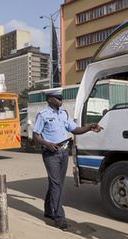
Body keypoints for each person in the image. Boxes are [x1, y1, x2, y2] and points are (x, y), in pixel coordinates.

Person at [32, 90, 103, 230]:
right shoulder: (43, 115)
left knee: (56, 183)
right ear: (49, 99)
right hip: (51, 153)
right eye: (58, 98)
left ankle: (48, 210)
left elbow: (75, 129)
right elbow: (35, 135)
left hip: (64, 152)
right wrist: (47, 144)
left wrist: (89, 127)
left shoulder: (63, 114)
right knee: (56, 184)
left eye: (61, 98)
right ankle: (59, 218)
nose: (61, 100)